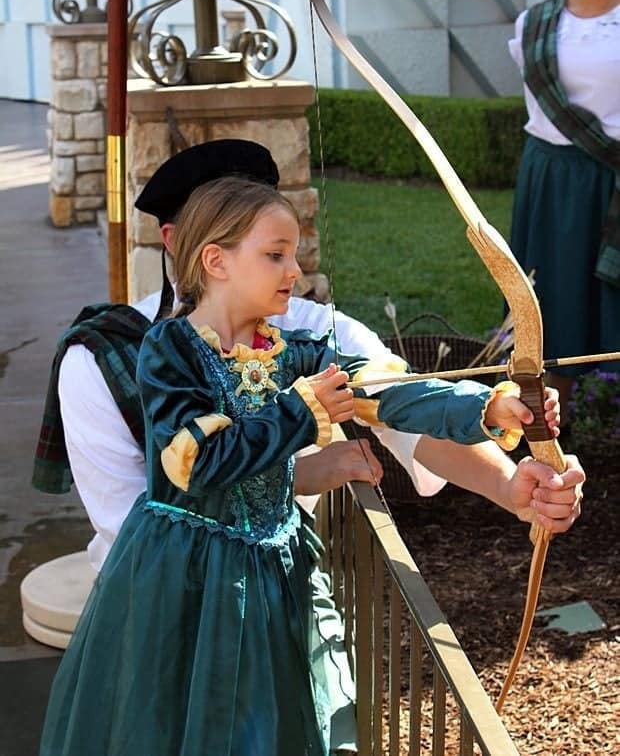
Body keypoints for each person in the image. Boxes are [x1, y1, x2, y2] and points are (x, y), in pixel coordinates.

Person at [39, 177, 578, 756]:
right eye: (275, 255)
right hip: (188, 574)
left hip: (274, 568)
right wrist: (302, 411)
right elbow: (193, 463)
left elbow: (388, 392)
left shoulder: (292, 350)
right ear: (215, 261)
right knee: (191, 719)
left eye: (293, 254)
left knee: (280, 721)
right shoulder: (168, 350)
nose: (294, 270)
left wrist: (488, 406)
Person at [508, 0, 620, 410]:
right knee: (552, 293)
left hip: (612, 176)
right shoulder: (534, 22)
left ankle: (607, 402)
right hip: (551, 177)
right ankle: (550, 410)